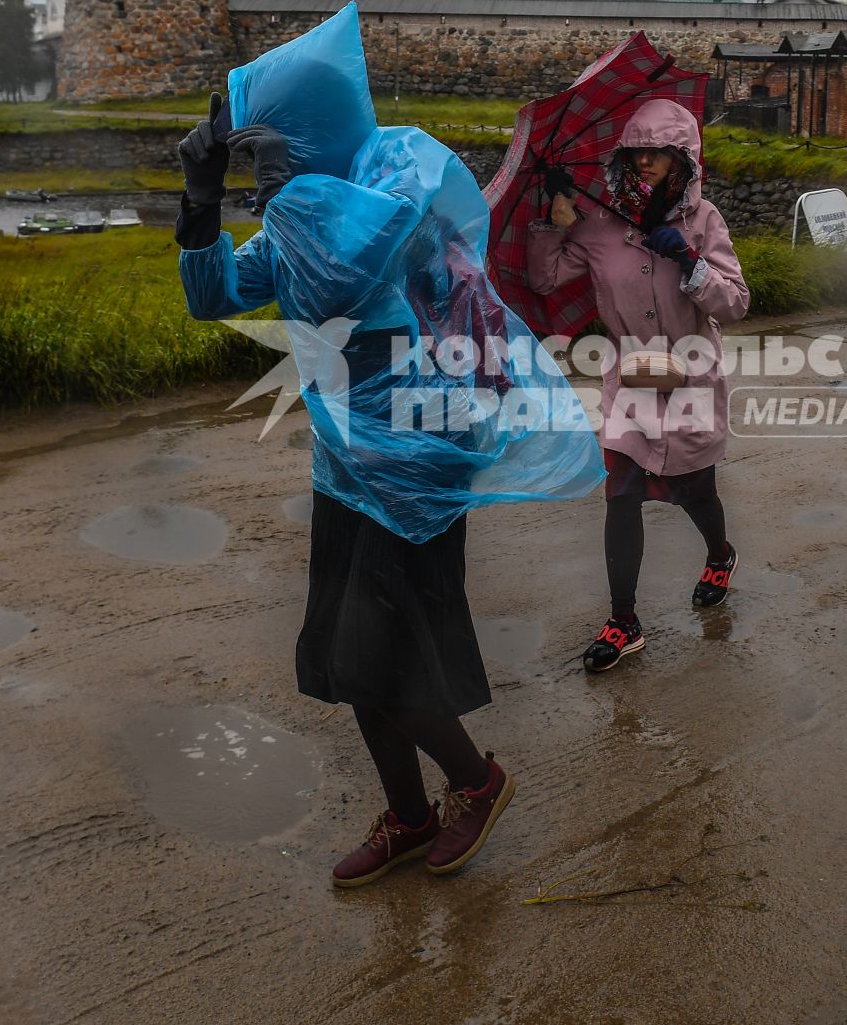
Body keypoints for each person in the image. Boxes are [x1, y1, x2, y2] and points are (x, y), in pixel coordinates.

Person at [175, 46, 598, 887]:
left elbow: (347, 266)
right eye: (253, 159)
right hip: (345, 465)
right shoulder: (297, 224)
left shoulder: (400, 193)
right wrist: (198, 198)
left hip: (421, 461)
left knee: (380, 652)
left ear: (319, 141)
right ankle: (409, 817)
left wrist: (281, 194)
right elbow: (213, 294)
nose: (261, 179)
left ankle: (477, 782)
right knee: (346, 657)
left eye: (272, 154)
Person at [526, 99, 751, 672]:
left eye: (657, 151)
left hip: (692, 376)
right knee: (621, 492)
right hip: (628, 379)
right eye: (636, 152)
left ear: (685, 159)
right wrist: (552, 219)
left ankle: (720, 553)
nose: (644, 161)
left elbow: (737, 302)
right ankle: (623, 619)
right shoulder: (601, 226)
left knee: (696, 489)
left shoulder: (703, 221)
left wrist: (693, 262)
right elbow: (545, 278)